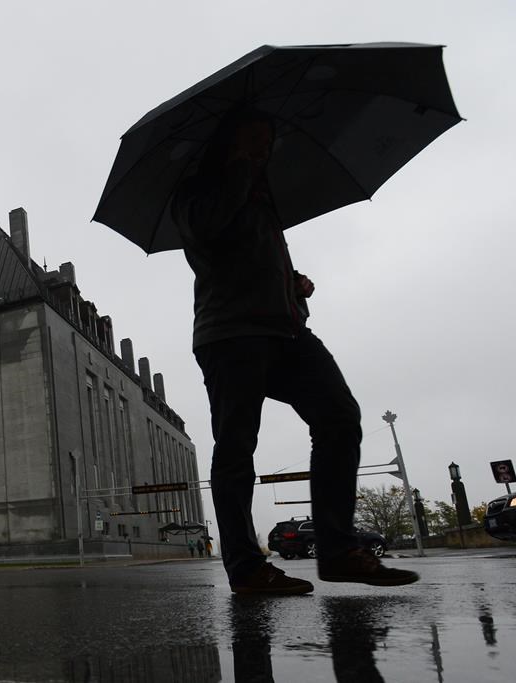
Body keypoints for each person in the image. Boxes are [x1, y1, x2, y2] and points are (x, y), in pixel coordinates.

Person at [173, 108, 419, 595]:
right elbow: (210, 231)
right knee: (237, 448)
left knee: (340, 417)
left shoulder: (263, 198)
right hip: (230, 334)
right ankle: (246, 567)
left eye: (267, 144)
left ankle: (339, 550)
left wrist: (292, 281)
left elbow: (253, 257)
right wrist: (241, 168)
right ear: (229, 143)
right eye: (253, 140)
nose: (263, 151)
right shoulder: (197, 193)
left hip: (287, 331)